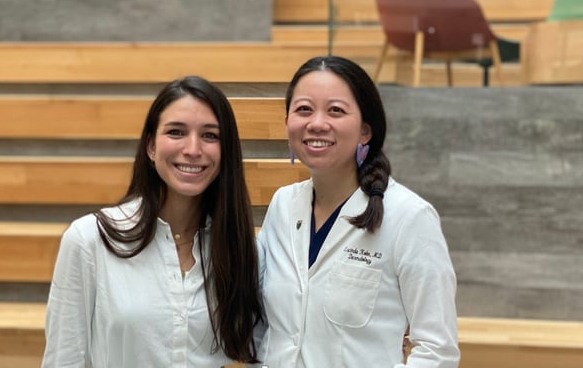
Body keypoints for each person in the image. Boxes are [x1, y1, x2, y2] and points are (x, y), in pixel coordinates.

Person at [42, 76, 263, 367]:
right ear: (150, 146)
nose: (193, 149)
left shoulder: (240, 248)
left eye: (210, 135)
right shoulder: (88, 240)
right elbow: (63, 359)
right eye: (176, 132)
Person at [256, 56, 460, 368]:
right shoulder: (283, 205)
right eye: (303, 109)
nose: (317, 123)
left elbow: (437, 350)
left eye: (335, 110)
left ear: (365, 131)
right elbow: (265, 324)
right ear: (288, 124)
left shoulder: (410, 217)